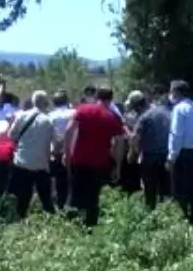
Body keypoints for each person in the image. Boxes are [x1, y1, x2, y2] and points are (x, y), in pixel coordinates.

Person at [64, 87, 126, 228]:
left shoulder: (82, 109)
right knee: (93, 199)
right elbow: (119, 142)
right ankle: (90, 229)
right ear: (111, 100)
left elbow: (68, 130)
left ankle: (70, 228)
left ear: (97, 97)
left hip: (78, 161)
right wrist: (117, 165)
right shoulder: (111, 117)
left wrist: (67, 153)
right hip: (99, 164)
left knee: (74, 196)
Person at [5, 91, 56, 219]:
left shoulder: (22, 116)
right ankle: (51, 221)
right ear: (45, 103)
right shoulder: (48, 121)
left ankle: (20, 221)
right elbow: (52, 144)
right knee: (46, 198)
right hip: (41, 164)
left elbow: (10, 135)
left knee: (23, 198)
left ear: (33, 102)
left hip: (22, 162)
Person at [166, 80, 193, 226]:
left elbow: (177, 134)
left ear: (176, 92)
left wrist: (171, 156)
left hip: (182, 154)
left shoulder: (179, 109)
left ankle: (181, 222)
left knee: (179, 190)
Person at [128, 90, 171, 210]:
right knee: (166, 190)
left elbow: (135, 138)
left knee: (150, 191)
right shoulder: (167, 112)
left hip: (150, 158)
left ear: (137, 106)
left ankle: (151, 214)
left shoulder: (144, 117)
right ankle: (167, 214)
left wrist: (132, 154)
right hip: (167, 156)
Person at [48, 90, 75, 210]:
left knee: (57, 182)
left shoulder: (50, 116)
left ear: (54, 103)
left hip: (55, 153)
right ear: (67, 101)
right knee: (71, 182)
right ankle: (70, 206)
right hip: (72, 152)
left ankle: (58, 206)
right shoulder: (74, 113)